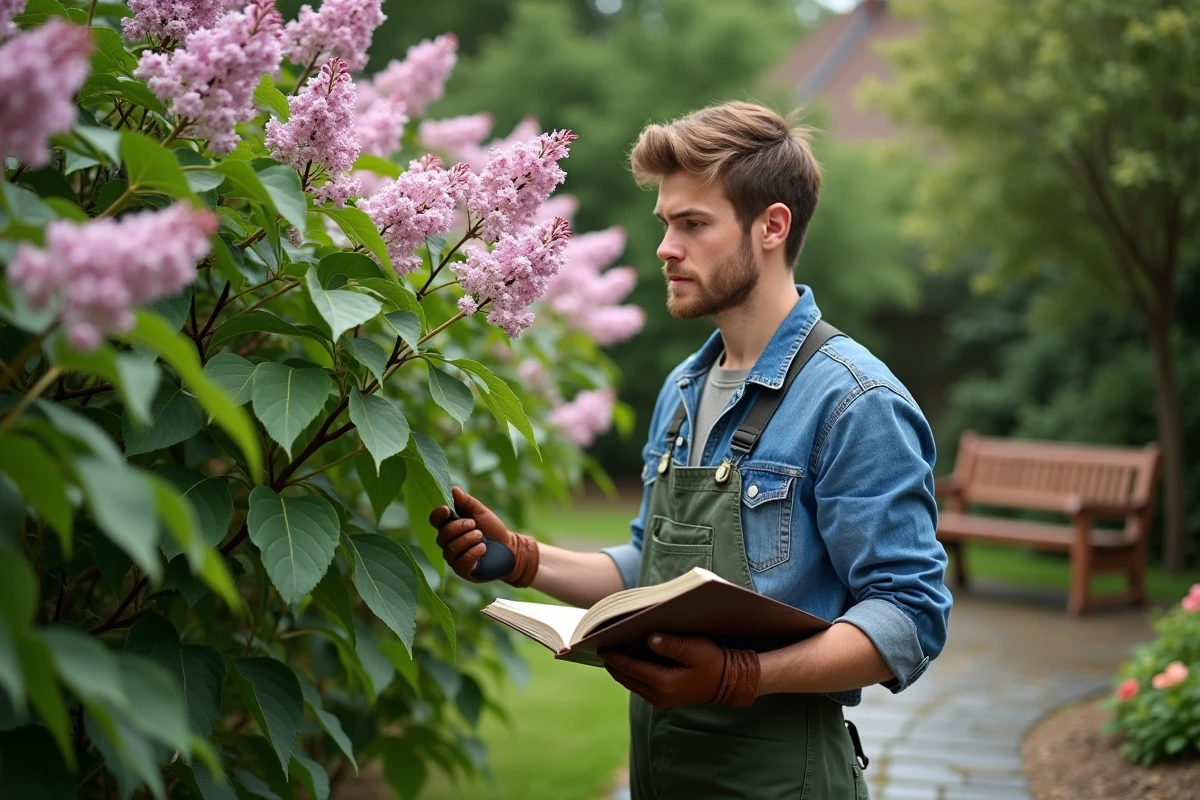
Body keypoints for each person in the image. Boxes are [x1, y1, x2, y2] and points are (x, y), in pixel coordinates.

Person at [429, 100, 952, 799]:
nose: (665, 248)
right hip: (664, 773)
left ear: (772, 227)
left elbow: (910, 613)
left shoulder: (855, 401)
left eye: (693, 224)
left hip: (782, 782)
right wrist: (520, 560)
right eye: (667, 223)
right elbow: (651, 566)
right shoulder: (684, 388)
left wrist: (745, 678)